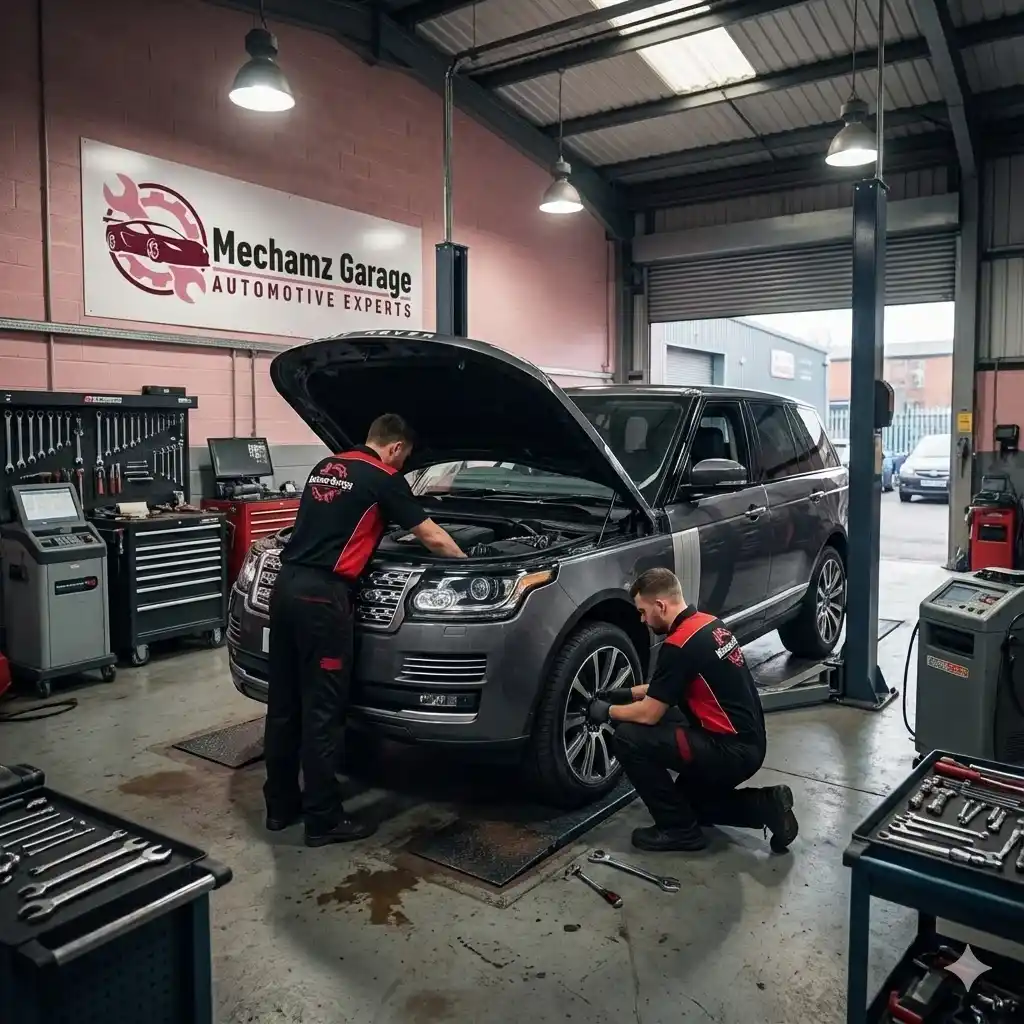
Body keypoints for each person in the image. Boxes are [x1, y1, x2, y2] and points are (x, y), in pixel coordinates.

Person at [263, 413, 466, 847]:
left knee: (284, 705)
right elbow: (433, 538)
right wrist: (468, 565)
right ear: (396, 448)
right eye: (404, 457)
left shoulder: (327, 465)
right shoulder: (384, 477)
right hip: (324, 599)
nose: (401, 464)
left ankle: (280, 806)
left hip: (286, 589)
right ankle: (324, 818)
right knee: (323, 711)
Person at [587, 567, 799, 854]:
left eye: (642, 611)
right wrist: (627, 693)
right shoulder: (708, 625)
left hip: (727, 750)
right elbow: (675, 683)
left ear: (660, 606)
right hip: (749, 741)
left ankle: (678, 831)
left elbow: (650, 714)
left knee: (628, 736)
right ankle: (767, 806)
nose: (641, 619)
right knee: (690, 802)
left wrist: (608, 710)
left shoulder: (677, 646)